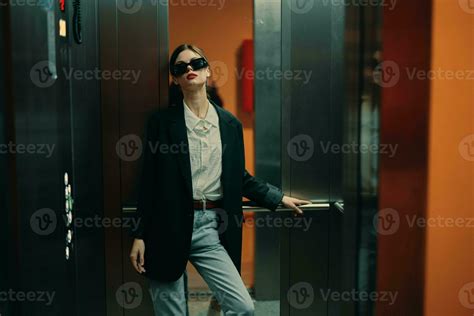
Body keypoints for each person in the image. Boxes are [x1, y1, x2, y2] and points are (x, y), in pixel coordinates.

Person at [129, 44, 310, 316]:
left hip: (209, 227)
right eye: (180, 67)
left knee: (242, 306)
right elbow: (149, 181)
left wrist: (278, 197)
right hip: (165, 226)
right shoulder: (162, 123)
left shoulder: (229, 124)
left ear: (208, 70)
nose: (189, 69)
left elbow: (239, 177)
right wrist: (139, 234)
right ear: (176, 79)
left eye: (196, 63)